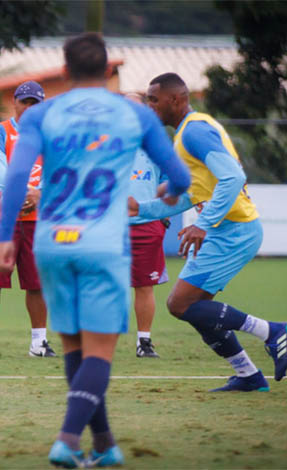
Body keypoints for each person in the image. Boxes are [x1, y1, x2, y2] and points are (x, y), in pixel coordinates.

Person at [0, 33, 191, 468]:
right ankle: (66, 439)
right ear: (107, 71)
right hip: (103, 242)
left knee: (75, 350)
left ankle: (104, 445)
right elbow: (179, 174)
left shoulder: (40, 114)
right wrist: (172, 192)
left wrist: (6, 236)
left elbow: (16, 177)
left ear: (64, 71)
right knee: (99, 353)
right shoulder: (134, 113)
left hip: (52, 243)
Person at [144, 72, 287, 393]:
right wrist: (138, 211)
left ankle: (272, 331)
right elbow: (190, 195)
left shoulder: (194, 132)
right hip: (227, 230)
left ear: (176, 99)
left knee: (179, 305)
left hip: (234, 231)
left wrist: (202, 224)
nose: (149, 106)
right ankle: (248, 376)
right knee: (199, 312)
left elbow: (233, 177)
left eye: (153, 99)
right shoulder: (187, 132)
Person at [0, 80, 55, 358]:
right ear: (15, 102)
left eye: (36, 103)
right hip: (0, 217)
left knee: (37, 283)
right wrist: (22, 193)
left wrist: (39, 193)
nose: (30, 108)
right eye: (26, 102)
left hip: (37, 219)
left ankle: (39, 343)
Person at [125, 92, 170, 358]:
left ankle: (144, 342)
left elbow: (168, 179)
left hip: (147, 223)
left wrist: (162, 207)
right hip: (110, 225)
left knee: (144, 285)